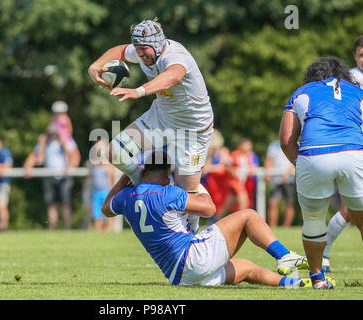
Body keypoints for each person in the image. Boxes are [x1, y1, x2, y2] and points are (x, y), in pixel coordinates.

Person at [101, 151, 310, 287]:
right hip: (192, 259)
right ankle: (285, 256)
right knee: (249, 216)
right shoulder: (168, 193)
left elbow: (106, 209)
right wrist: (197, 184)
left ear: (144, 171)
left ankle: (295, 284)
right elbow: (209, 209)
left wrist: (122, 180)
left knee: (246, 268)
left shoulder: (126, 198)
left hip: (179, 277)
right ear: (166, 176)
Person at [88, 18, 214, 232]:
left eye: (144, 49)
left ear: (157, 45)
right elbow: (120, 50)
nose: (140, 54)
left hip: (193, 130)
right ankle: (142, 184)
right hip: (161, 119)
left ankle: (190, 236)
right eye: (137, 49)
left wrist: (139, 91)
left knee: (189, 199)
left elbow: (172, 77)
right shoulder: (141, 51)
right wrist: (95, 66)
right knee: (114, 152)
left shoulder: (175, 56)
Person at [280, 56, 363, 289]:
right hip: (353, 153)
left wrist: (304, 165)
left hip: (313, 154)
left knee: (314, 219)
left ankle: (318, 279)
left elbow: (286, 141)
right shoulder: (360, 93)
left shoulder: (300, 93)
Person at [323, 35, 363, 272]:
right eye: (361, 55)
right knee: (352, 209)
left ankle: (323, 252)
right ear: (355, 57)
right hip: (358, 148)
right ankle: (324, 252)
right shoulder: (349, 79)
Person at [24, 125, 80, 230]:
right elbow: (38, 158)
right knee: (51, 204)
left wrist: (71, 166)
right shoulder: (45, 142)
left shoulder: (67, 141)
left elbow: (74, 155)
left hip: (64, 176)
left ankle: (68, 228)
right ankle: (52, 227)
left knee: (66, 203)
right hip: (49, 175)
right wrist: (28, 166)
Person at [264, 140, 296, 228]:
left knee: (289, 204)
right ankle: (272, 227)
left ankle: (286, 227)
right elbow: (269, 160)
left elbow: (296, 160)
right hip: (275, 178)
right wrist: (268, 172)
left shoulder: (295, 143)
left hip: (290, 179)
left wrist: (287, 174)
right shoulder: (273, 145)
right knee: (273, 203)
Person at [89, 138, 116, 231]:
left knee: (110, 215)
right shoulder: (93, 165)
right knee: (97, 216)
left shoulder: (109, 165)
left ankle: (111, 231)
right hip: (95, 193)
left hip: (106, 193)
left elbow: (112, 179)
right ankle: (98, 233)